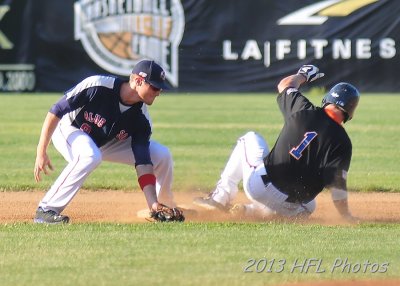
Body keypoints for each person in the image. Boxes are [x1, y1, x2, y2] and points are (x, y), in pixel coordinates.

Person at [193, 65, 360, 221]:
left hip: (261, 188)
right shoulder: (343, 143)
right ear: (350, 113)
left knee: (250, 138)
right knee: (310, 204)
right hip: (292, 206)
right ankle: (254, 212)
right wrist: (346, 216)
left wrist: (303, 75)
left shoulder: (303, 110)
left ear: (327, 99)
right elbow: (338, 186)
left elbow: (285, 84)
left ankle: (220, 198)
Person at [34, 60, 183, 224]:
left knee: (161, 155)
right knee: (90, 155)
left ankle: (159, 207)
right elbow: (57, 110)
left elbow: (143, 162)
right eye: (154, 87)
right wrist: (41, 151)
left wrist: (152, 203)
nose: (158, 92)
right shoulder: (98, 85)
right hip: (70, 129)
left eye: (160, 88)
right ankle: (46, 210)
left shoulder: (141, 118)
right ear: (137, 81)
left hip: (105, 142)